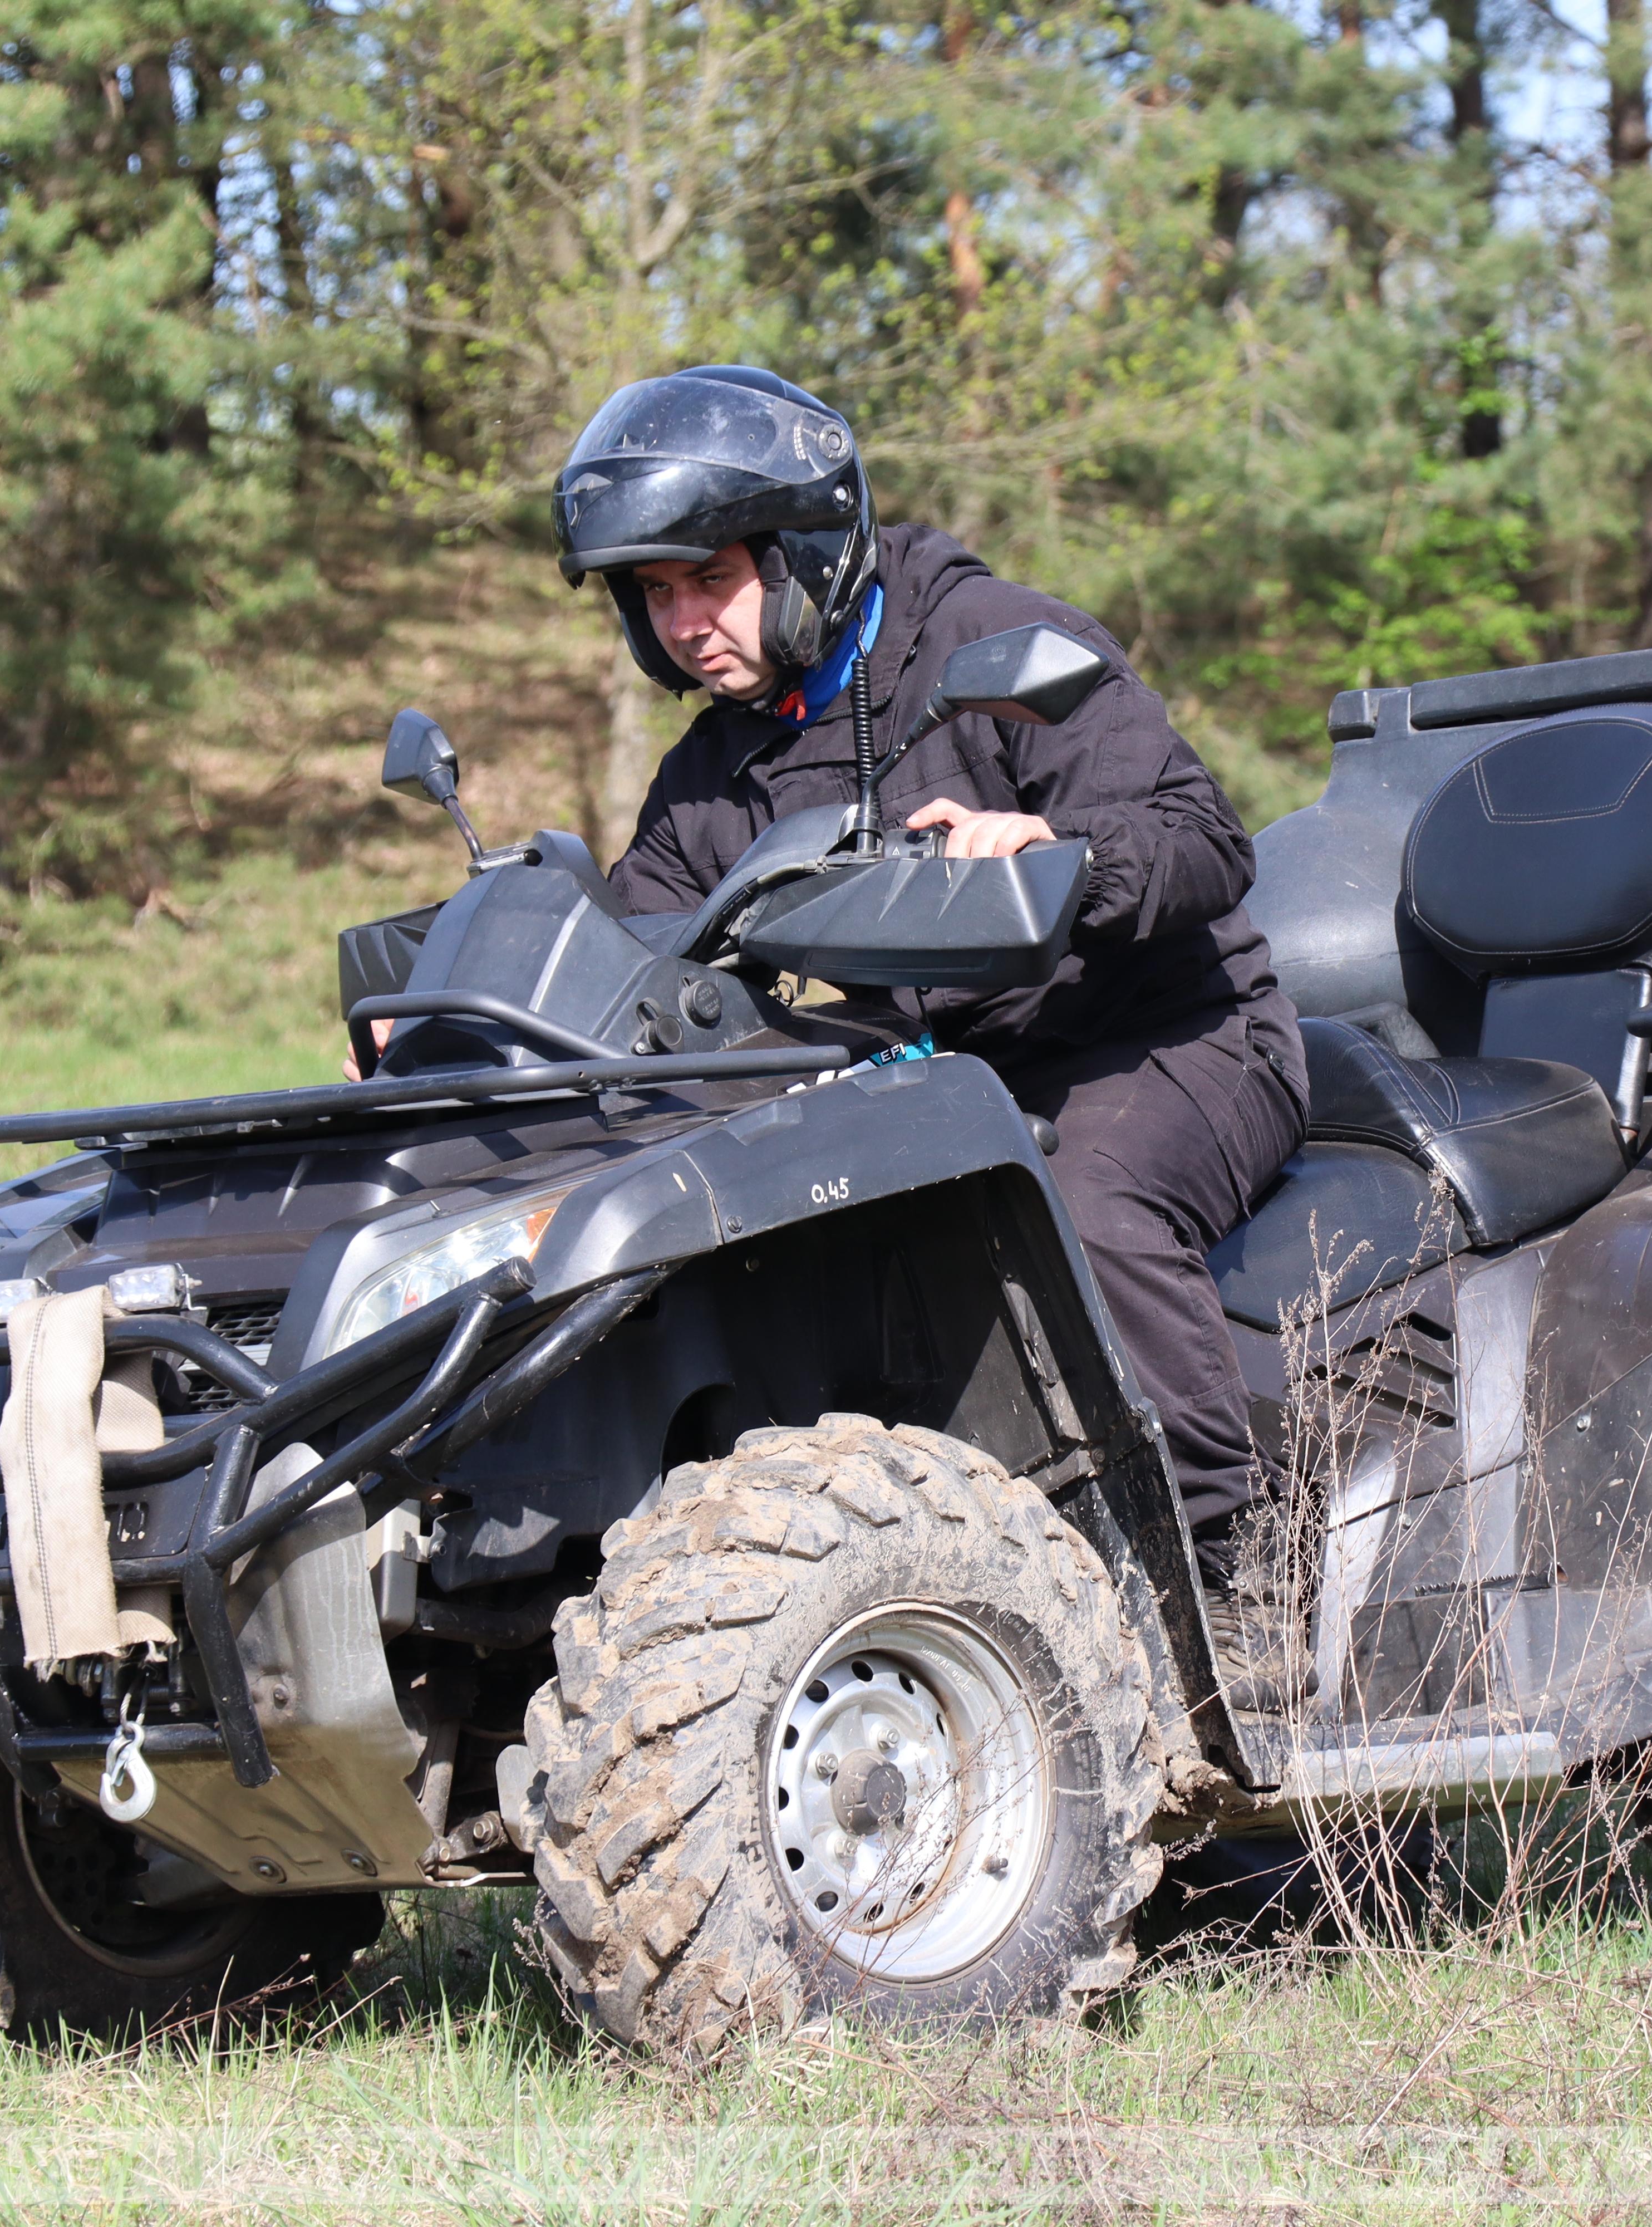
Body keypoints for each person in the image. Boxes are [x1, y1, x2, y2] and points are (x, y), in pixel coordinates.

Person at [554, 365, 1307, 1689]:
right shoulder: (712, 768)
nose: (681, 623)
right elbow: (631, 959)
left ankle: (1232, 1576)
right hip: (939, 1088)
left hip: (1165, 1036)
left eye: (706, 579)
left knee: (1084, 1199)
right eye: (651, 594)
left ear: (802, 552)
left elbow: (1207, 841)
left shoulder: (994, 645)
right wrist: (478, 1023)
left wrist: (1060, 852)